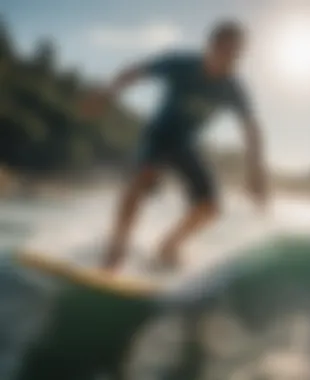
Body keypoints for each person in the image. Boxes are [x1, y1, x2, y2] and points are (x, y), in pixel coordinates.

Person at [81, 20, 269, 271]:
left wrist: (255, 172)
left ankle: (168, 247)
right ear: (211, 47)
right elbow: (136, 72)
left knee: (210, 208)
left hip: (185, 144)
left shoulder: (232, 87)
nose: (230, 60)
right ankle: (116, 248)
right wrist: (106, 94)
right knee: (144, 177)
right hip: (159, 135)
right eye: (226, 51)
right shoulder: (181, 65)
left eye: (236, 55)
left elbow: (251, 129)